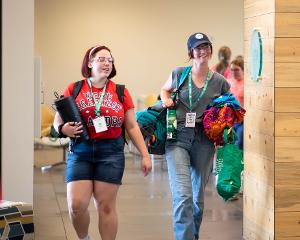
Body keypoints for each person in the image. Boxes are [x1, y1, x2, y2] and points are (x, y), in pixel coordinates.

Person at [53, 45, 152, 240]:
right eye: (101, 59)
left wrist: (145, 155)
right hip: (80, 151)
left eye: (110, 60)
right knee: (76, 206)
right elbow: (58, 120)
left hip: (111, 153)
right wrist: (62, 129)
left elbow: (132, 126)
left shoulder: (121, 92)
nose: (107, 63)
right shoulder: (75, 88)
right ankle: (84, 238)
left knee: (105, 207)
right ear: (90, 63)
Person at [160, 33, 230, 240]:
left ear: (210, 49)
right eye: (197, 48)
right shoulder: (179, 73)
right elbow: (164, 90)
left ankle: (193, 236)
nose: (202, 51)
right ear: (190, 52)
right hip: (178, 137)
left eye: (206, 47)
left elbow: (228, 107)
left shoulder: (219, 81)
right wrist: (166, 100)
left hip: (204, 140)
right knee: (183, 196)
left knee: (197, 200)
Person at [228, 55, 244, 150]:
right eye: (232, 70)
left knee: (239, 143)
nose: (234, 72)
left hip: (243, 121)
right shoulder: (228, 83)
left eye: (236, 70)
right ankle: (231, 164)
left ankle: (241, 164)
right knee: (229, 143)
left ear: (243, 69)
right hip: (231, 121)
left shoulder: (247, 83)